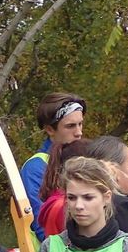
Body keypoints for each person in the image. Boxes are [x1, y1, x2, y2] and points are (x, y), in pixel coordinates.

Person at [21, 92, 86, 240]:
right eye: (70, 126)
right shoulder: (35, 168)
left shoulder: (84, 157)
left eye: (80, 124)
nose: (79, 132)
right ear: (50, 129)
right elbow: (41, 226)